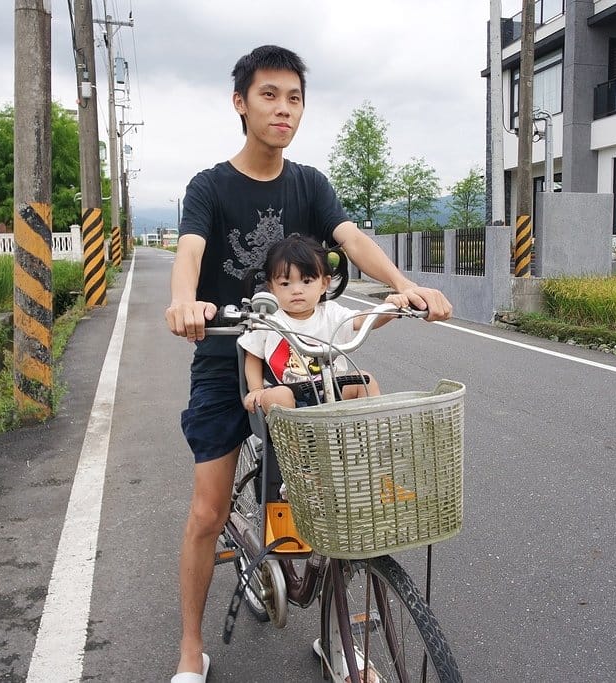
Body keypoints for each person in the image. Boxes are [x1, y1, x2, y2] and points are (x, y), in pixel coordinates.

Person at [165, 44, 452, 682]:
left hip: (308, 362)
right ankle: (190, 650)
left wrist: (404, 288)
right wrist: (185, 302)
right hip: (228, 358)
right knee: (209, 511)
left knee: (343, 502)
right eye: (269, 95)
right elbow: (190, 248)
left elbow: (350, 238)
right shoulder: (209, 187)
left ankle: (341, 639)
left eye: (294, 98)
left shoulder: (310, 184)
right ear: (240, 103)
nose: (283, 109)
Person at [239, 234, 408, 414]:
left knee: (365, 380)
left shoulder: (331, 313)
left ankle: (373, 436)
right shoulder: (269, 319)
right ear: (272, 288)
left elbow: (361, 320)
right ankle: (298, 442)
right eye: (285, 283)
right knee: (279, 395)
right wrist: (256, 389)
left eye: (306, 281)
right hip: (289, 395)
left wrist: (387, 309)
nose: (296, 290)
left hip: (332, 389)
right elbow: (253, 356)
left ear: (324, 284)